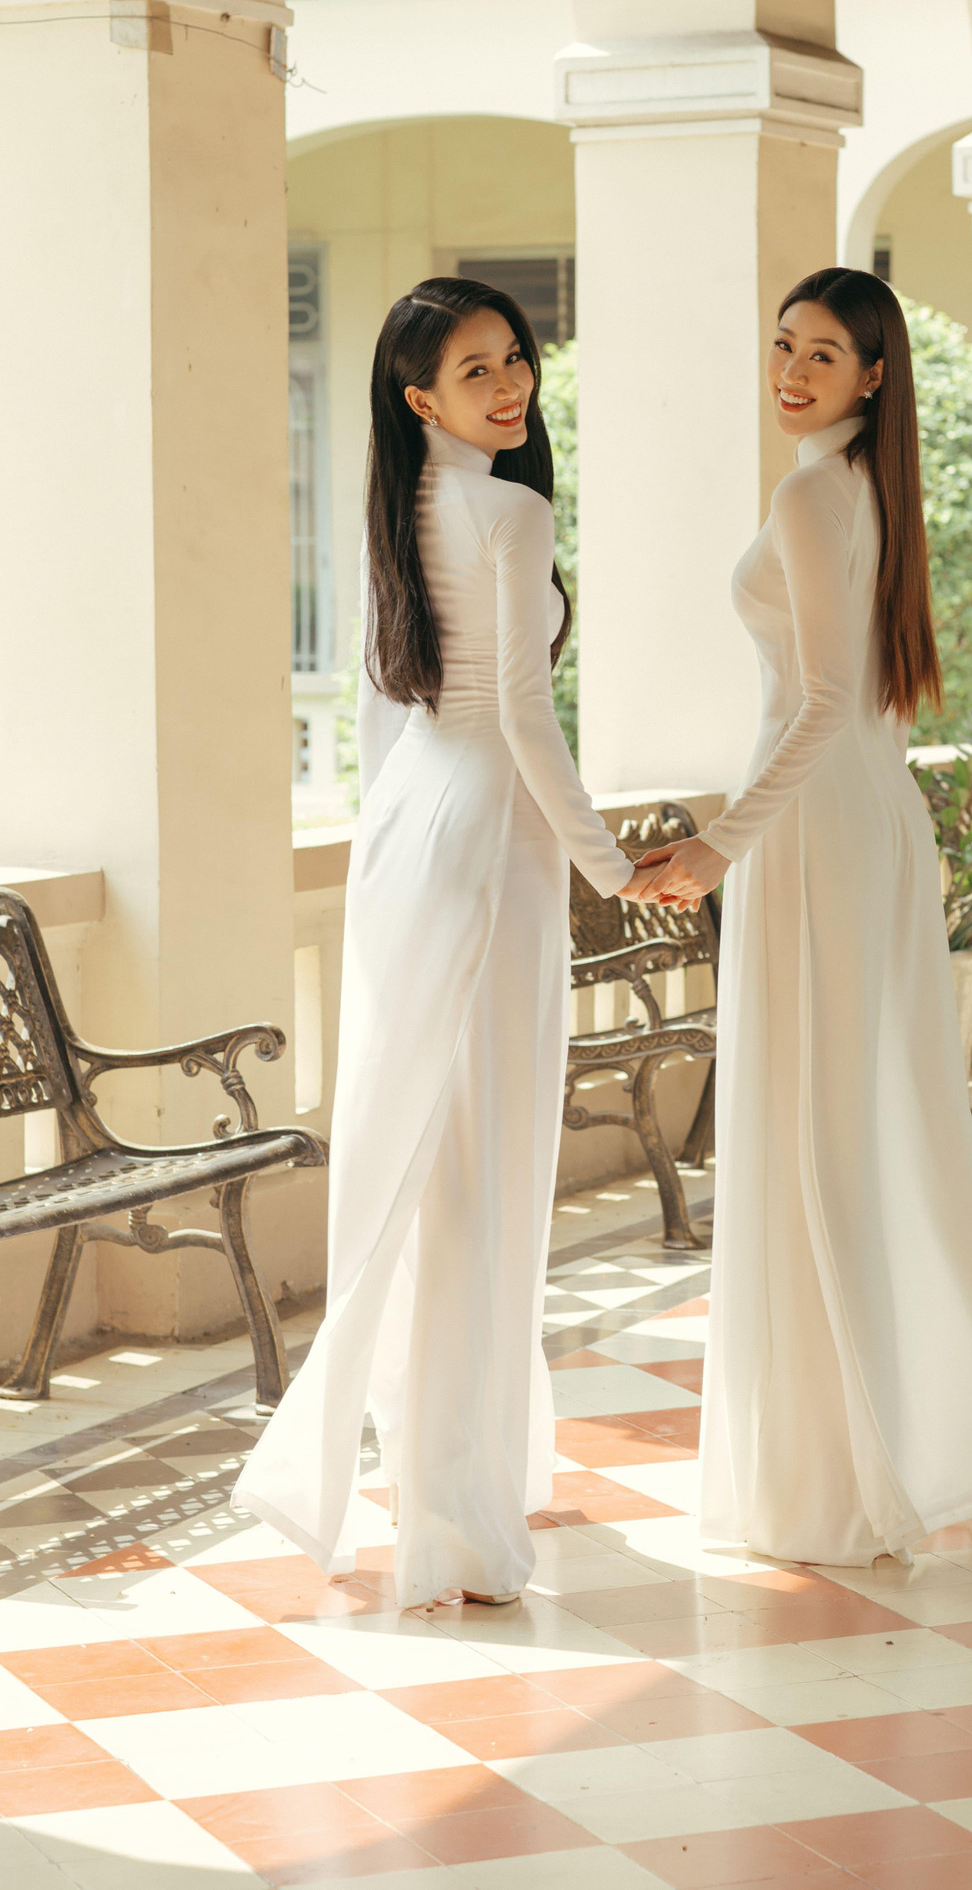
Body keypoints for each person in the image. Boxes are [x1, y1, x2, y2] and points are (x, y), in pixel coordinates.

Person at [632, 268, 972, 1567]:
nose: (790, 370)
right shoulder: (865, 489)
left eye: (821, 354)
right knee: (867, 1127)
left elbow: (823, 698)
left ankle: (832, 1480)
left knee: (816, 1137)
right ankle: (888, 1449)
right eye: (782, 344)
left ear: (873, 375)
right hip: (862, 818)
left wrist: (718, 843)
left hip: (816, 828)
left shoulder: (811, 493)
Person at [234, 278, 643, 1608]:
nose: (511, 384)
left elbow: (380, 711)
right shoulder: (509, 513)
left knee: (421, 1153)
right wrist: (611, 865)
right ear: (420, 396)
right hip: (488, 835)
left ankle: (451, 1479)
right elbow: (524, 716)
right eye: (477, 370)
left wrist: (399, 842)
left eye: (514, 358)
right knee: (484, 1160)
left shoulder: (393, 509)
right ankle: (457, 1515)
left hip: (407, 834)